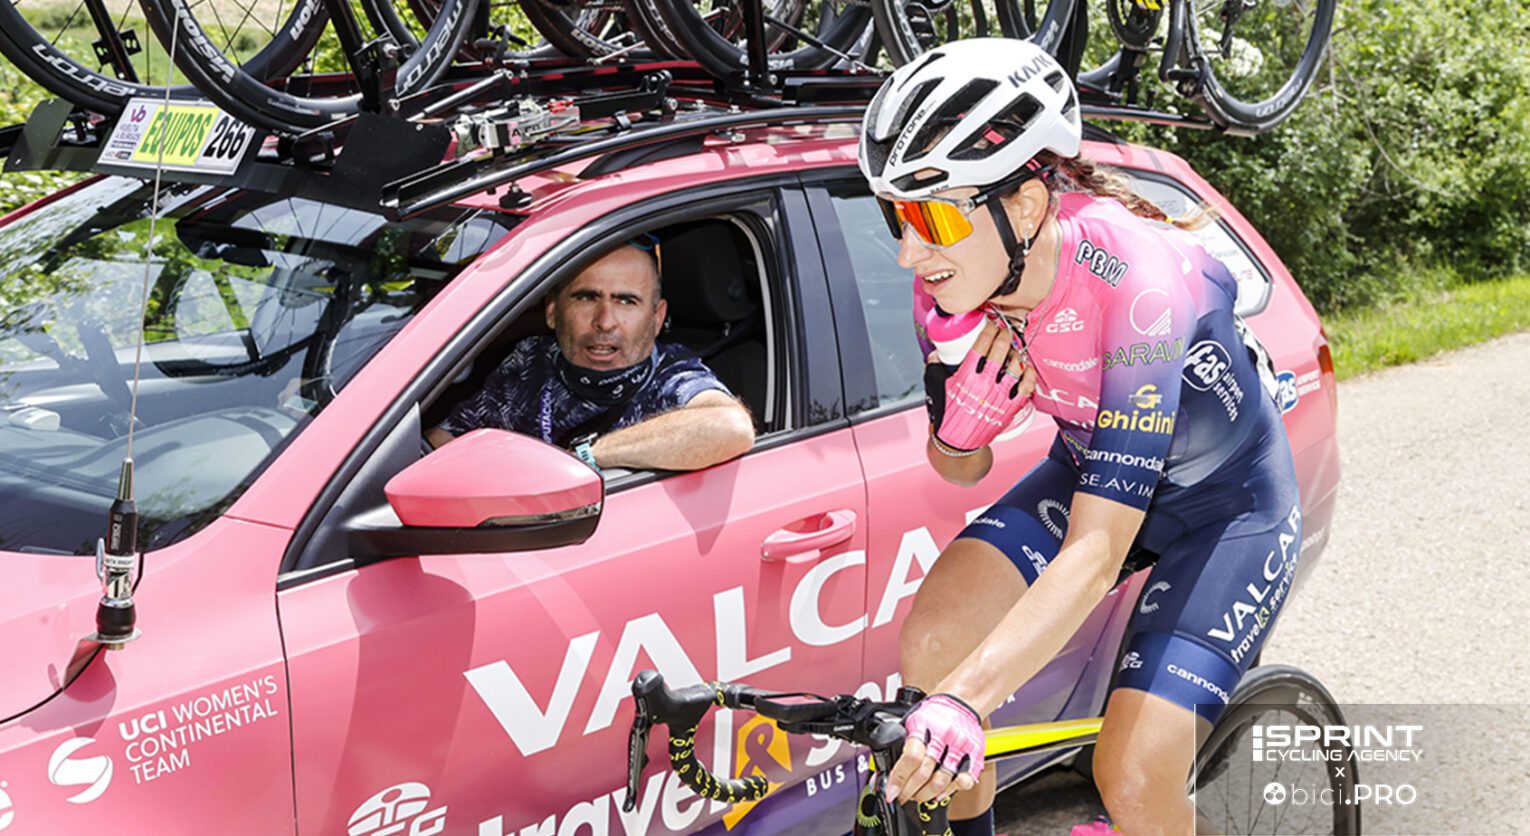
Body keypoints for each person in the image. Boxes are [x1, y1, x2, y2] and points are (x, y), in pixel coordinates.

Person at [858, 39, 1303, 836]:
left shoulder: (1137, 287)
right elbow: (960, 470)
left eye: (931, 216)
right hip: (1093, 467)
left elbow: (1096, 555)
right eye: (897, 215)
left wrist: (968, 701)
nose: (907, 252)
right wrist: (959, 437)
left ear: (1026, 206)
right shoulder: (949, 290)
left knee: (1131, 779)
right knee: (935, 647)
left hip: (1227, 507)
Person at [425, 237, 755, 471]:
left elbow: (730, 426)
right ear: (552, 311)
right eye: (586, 298)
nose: (605, 321)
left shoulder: (671, 374)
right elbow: (442, 442)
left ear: (657, 318)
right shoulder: (532, 359)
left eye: (626, 301)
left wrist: (585, 457)